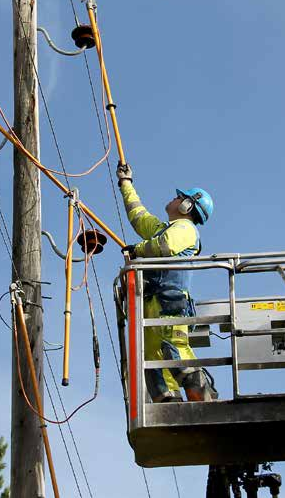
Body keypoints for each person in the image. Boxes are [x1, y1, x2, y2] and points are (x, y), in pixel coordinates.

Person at [117, 163, 218, 403]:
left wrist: (138, 250)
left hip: (169, 306)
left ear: (187, 205)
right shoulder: (166, 228)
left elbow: (165, 246)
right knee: (154, 360)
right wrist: (126, 184)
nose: (174, 199)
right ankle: (169, 403)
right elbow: (139, 217)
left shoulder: (186, 228)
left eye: (179, 197)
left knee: (174, 349)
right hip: (152, 305)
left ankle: (205, 399)